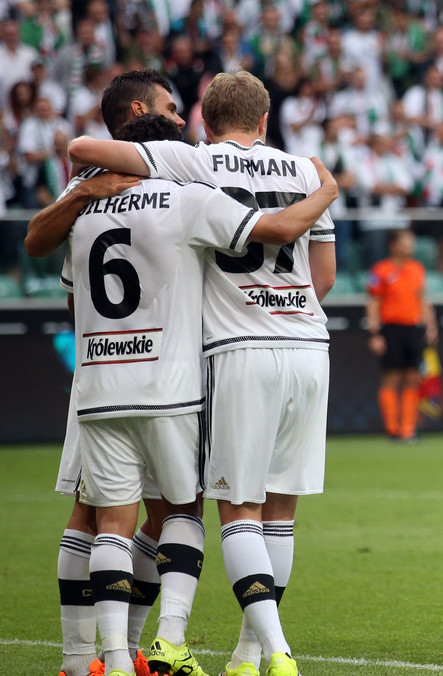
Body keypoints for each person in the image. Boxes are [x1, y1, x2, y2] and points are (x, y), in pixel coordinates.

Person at [68, 68, 338, 676]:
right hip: (309, 345)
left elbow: (83, 149)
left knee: (235, 511)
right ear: (266, 120)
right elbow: (323, 279)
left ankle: (275, 653)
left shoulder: (191, 161)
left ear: (204, 122)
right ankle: (245, 654)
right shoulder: (304, 170)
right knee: (280, 512)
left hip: (236, 348)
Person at [24, 69, 196, 676]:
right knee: (113, 512)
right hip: (149, 373)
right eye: (174, 109)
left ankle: (119, 653)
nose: (182, 120)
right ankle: (86, 658)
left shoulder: (112, 179)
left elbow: (70, 292)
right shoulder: (124, 177)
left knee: (124, 514)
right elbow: (36, 240)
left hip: (108, 373)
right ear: (143, 108)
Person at [366, 229, 437, 442]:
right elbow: (373, 303)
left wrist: (431, 325)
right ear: (393, 245)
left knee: (412, 377)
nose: (410, 246)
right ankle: (392, 428)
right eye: (406, 241)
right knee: (391, 377)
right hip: (391, 328)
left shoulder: (417, 269)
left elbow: (423, 298)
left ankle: (408, 429)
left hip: (413, 328)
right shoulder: (381, 271)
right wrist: (375, 333)